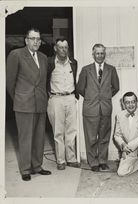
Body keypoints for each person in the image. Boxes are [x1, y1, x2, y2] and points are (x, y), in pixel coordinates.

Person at [6, 28, 51, 181]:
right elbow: (10, 83)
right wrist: (19, 98)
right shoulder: (16, 55)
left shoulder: (44, 57)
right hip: (24, 104)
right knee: (25, 138)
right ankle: (25, 169)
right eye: (32, 38)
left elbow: (44, 82)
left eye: (38, 39)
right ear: (26, 40)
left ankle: (37, 166)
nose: (36, 42)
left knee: (39, 137)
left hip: (40, 103)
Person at [77, 43, 120, 172]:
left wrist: (105, 97)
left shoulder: (111, 69)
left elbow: (116, 87)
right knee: (91, 137)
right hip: (90, 109)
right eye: (97, 53)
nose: (100, 55)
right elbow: (80, 88)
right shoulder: (86, 70)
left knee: (104, 136)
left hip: (105, 108)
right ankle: (93, 162)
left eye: (102, 53)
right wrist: (91, 98)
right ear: (93, 54)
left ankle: (102, 161)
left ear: (105, 54)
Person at [47, 38, 80, 170]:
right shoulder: (49, 62)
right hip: (56, 99)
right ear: (55, 48)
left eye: (65, 47)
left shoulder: (73, 63)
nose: (63, 50)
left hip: (71, 97)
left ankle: (71, 159)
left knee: (71, 130)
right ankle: (61, 161)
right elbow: (43, 78)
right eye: (60, 47)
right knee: (58, 131)